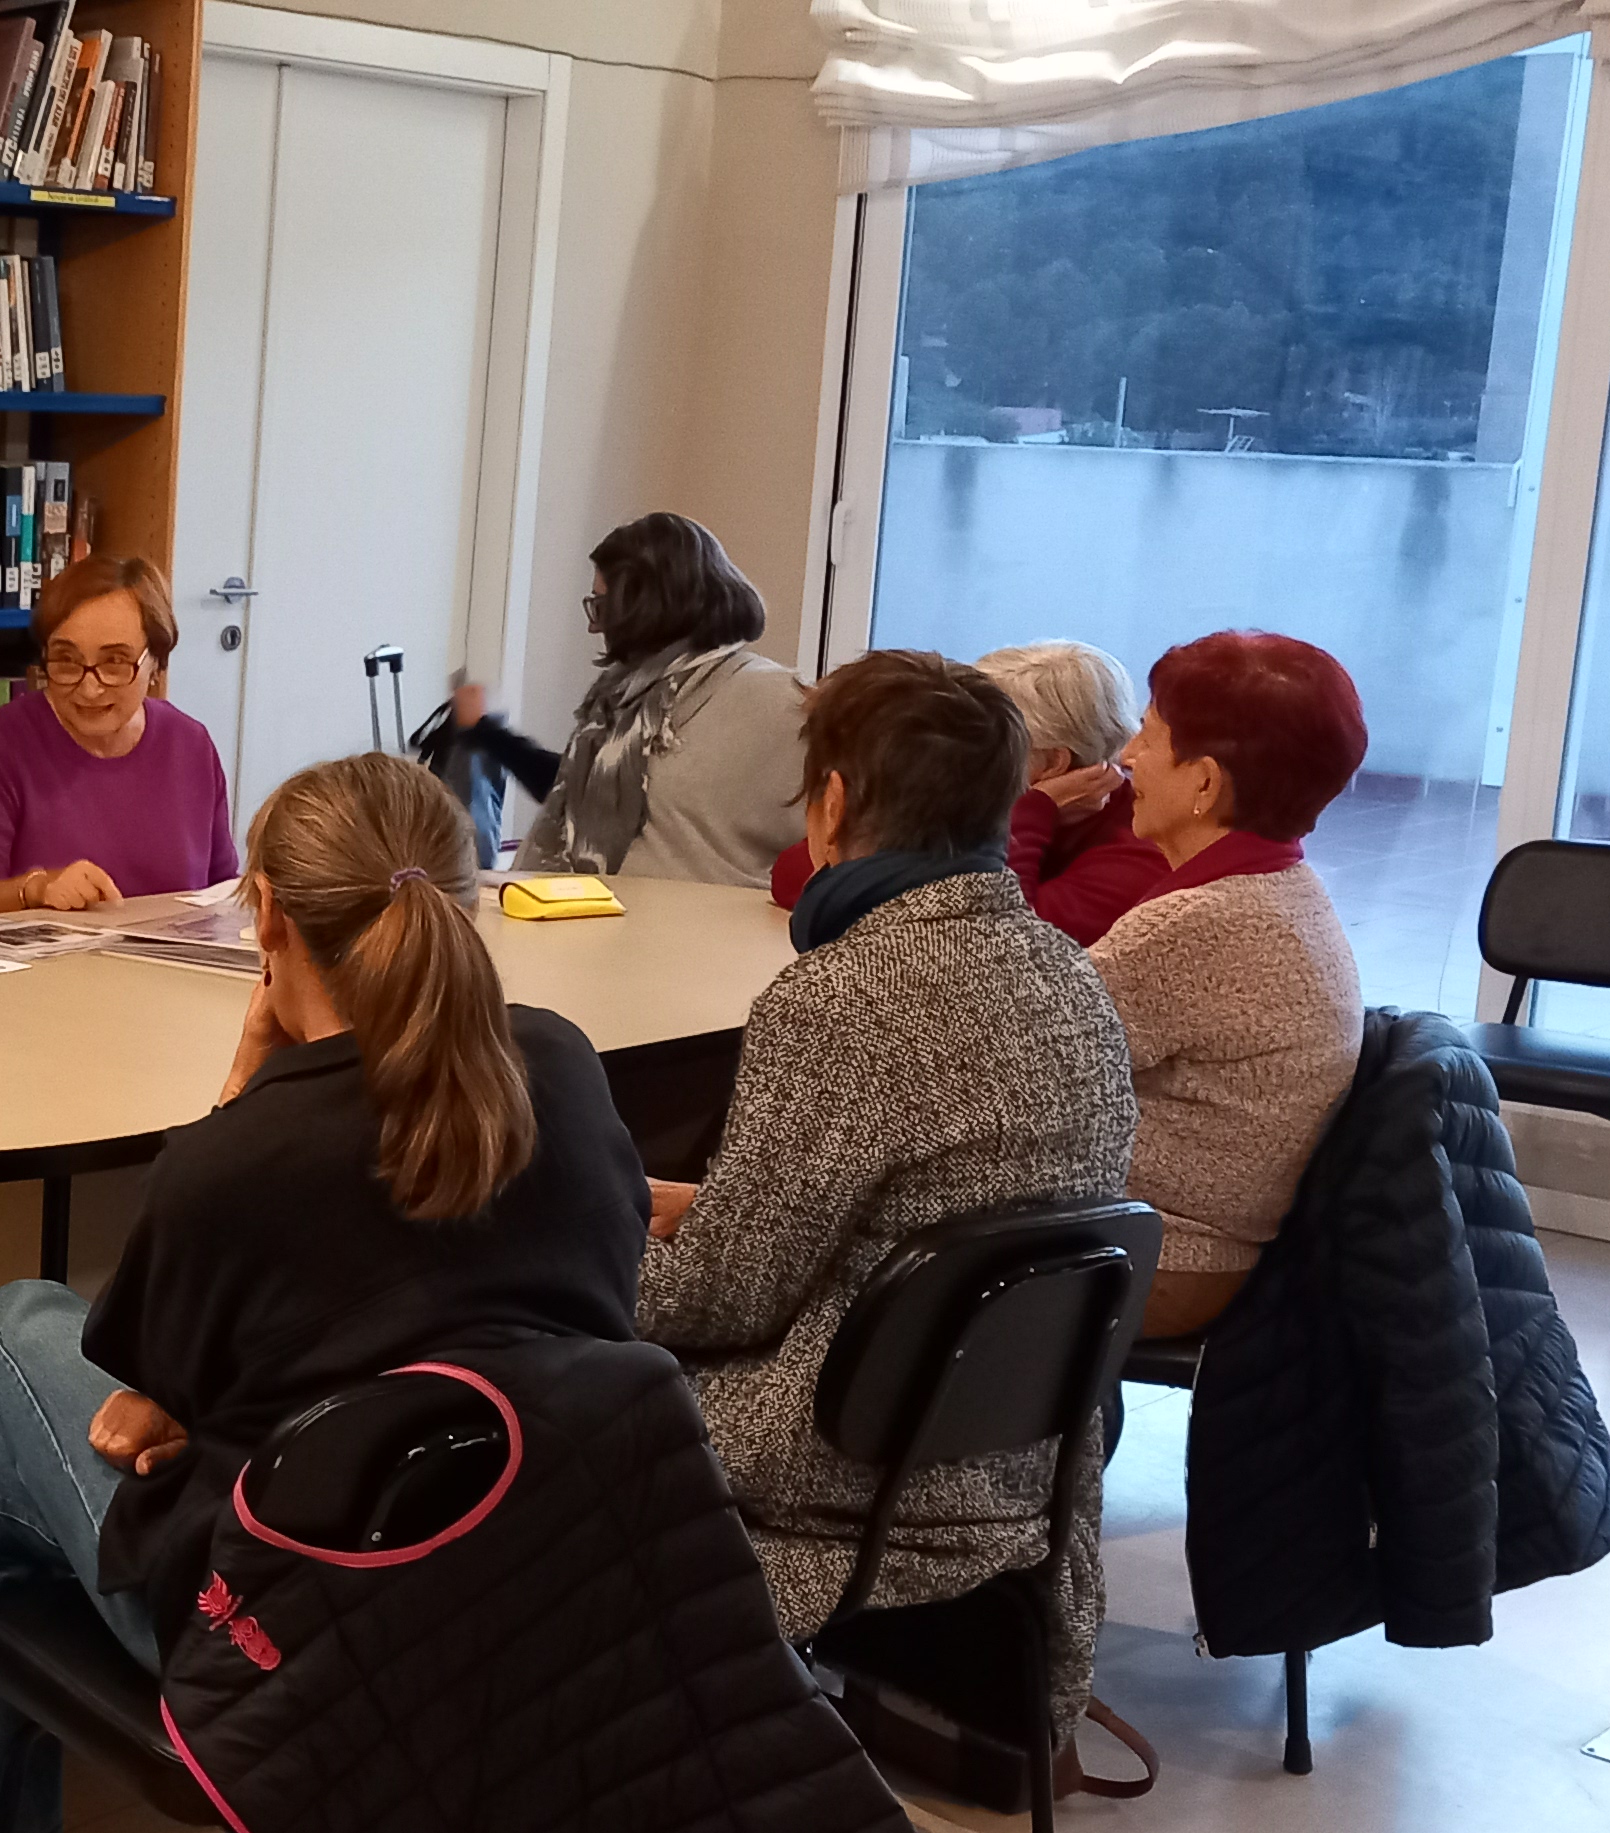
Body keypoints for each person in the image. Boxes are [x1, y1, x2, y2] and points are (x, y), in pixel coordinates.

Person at [0, 754, 650, 1833]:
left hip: (278, 1620)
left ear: (266, 916)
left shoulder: (247, 1161)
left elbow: (141, 1389)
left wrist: (239, 1092)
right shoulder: (559, 1064)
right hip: (524, 1576)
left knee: (2, 1335)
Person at [634, 648, 1135, 1734]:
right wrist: (699, 1212)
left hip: (853, 1460)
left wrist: (570, 1253)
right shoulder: (1070, 982)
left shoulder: (839, 1000)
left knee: (539, 1365)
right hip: (1014, 1457)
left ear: (834, 804)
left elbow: (721, 1300)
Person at [1092, 632, 1368, 1337]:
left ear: (1206, 782)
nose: (1125, 758)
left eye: (1148, 736)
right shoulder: (1282, 889)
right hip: (1183, 1242)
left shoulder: (1200, 922)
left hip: (1155, 1256)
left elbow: (1011, 1062)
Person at [766, 639, 1168, 944]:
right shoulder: (971, 799)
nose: (969, 753)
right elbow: (795, 872)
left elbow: (1008, 939)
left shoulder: (1143, 845)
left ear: (1053, 765)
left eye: (996, 742)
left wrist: (1032, 814)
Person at [497, 512, 808, 885]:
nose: (594, 625)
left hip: (711, 937)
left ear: (645, 607)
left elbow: (843, 836)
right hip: (586, 927)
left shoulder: (779, 702)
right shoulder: (617, 701)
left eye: (602, 606)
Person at [0, 557, 239, 916]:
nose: (89, 688)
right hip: (46, 968)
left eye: (115, 662)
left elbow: (222, 891)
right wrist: (37, 889)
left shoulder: (191, 743)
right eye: (66, 660)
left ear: (157, 662)